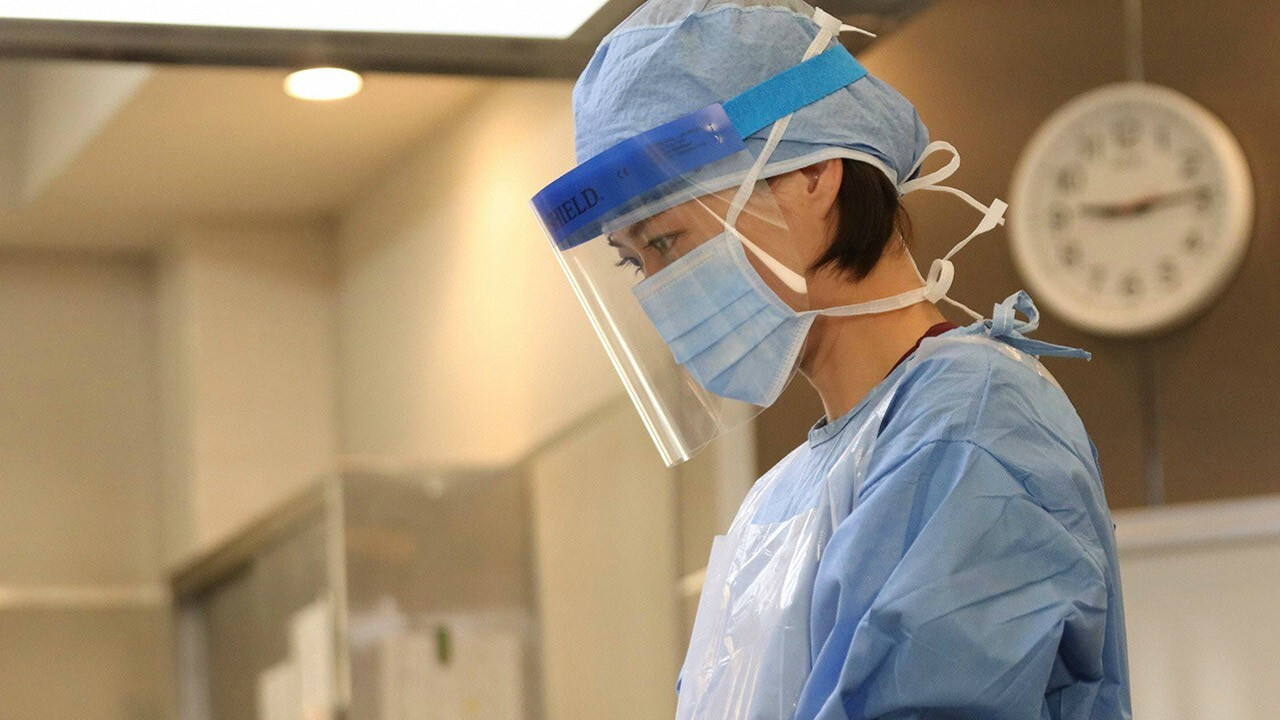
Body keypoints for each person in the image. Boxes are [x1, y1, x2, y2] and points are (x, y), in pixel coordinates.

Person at [530, 1, 1131, 718]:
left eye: (665, 241)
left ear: (814, 173)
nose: (661, 288)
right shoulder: (783, 497)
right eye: (634, 261)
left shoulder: (972, 422)